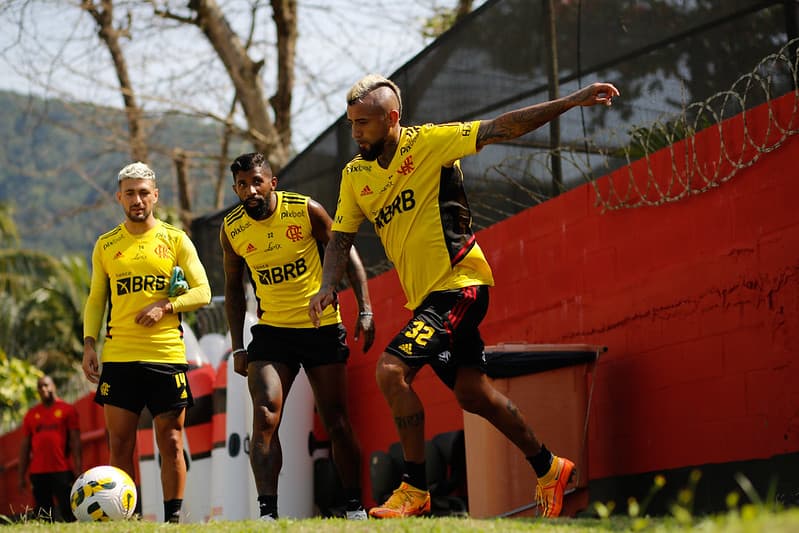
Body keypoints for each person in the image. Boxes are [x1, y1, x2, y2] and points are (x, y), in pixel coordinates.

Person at [309, 74, 620, 519]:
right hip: (427, 300)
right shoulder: (355, 175)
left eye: (364, 123)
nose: (355, 132)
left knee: (391, 371)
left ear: (392, 118)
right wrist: (326, 287)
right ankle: (549, 466)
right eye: (351, 123)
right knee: (473, 393)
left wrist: (572, 101)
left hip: (461, 284)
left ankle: (415, 488)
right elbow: (340, 239)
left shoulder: (432, 143)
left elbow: (501, 127)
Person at [220, 152, 375, 520]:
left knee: (336, 419)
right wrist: (238, 346)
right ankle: (268, 515)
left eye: (257, 181)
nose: (250, 190)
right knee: (264, 415)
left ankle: (355, 508)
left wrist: (365, 308)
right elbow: (233, 288)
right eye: (242, 185)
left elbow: (344, 252)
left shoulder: (305, 210)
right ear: (236, 189)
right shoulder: (232, 229)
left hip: (320, 327)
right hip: (272, 333)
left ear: (272, 182)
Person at [82, 161, 211, 523]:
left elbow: (203, 290)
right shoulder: (106, 244)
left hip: (166, 356)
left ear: (155, 195)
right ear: (118, 197)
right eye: (129, 193)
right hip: (120, 357)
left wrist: (166, 305)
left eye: (143, 192)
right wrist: (90, 344)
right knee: (120, 445)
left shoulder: (175, 239)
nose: (137, 200)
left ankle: (171, 522)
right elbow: (96, 299)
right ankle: (124, 519)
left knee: (170, 443)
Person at [18, 375, 82, 522]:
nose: (43, 389)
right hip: (38, 472)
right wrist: (21, 475)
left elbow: (75, 441)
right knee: (43, 515)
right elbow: (25, 447)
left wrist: (78, 468)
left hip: (62, 470)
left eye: (46, 385)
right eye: (40, 387)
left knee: (69, 511)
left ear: (53, 386)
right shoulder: (31, 414)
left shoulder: (68, 410)